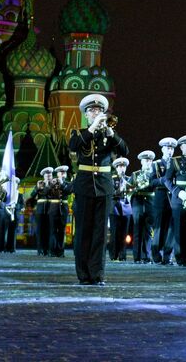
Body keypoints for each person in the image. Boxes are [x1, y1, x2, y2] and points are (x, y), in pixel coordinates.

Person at [67, 93, 128, 285]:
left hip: (104, 186)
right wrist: (92, 128)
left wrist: (111, 134)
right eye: (92, 111)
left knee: (100, 233)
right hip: (85, 185)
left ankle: (98, 274)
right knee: (84, 231)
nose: (96, 113)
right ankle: (84, 274)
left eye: (99, 110)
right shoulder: (79, 133)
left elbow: (124, 151)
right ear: (86, 115)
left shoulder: (108, 136)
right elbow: (74, 146)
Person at [166, 134, 186, 266]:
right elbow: (167, 180)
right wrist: (177, 192)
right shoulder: (175, 161)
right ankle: (181, 258)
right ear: (181, 147)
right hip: (179, 198)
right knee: (179, 230)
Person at [151, 138, 178, 264]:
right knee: (159, 228)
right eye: (168, 148)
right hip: (160, 197)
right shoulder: (156, 164)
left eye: (172, 148)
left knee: (171, 228)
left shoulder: (176, 163)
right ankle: (156, 255)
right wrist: (162, 180)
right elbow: (151, 182)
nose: (170, 151)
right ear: (162, 149)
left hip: (172, 197)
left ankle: (167, 256)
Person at [130, 151, 157, 262]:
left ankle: (146, 256)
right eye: (146, 161)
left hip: (150, 203)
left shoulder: (154, 174)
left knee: (148, 232)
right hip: (138, 203)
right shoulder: (135, 174)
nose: (148, 163)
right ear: (141, 162)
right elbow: (129, 189)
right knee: (137, 231)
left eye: (150, 161)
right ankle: (137, 256)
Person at [110, 156, 133, 261]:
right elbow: (110, 193)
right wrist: (120, 189)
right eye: (120, 166)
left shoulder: (129, 179)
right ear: (116, 168)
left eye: (124, 166)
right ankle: (114, 255)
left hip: (126, 207)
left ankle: (122, 255)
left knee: (124, 233)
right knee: (115, 232)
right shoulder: (111, 179)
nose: (122, 169)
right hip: (115, 207)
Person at [30, 168, 53, 255]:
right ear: (43, 176)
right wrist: (37, 189)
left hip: (50, 209)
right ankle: (40, 250)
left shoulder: (53, 184)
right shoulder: (39, 184)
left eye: (50, 175)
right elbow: (32, 196)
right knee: (40, 230)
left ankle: (48, 249)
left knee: (49, 230)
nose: (48, 177)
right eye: (46, 175)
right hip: (40, 210)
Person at [49, 165, 70, 256]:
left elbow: (68, 191)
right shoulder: (52, 183)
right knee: (53, 230)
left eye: (64, 173)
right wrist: (50, 184)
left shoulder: (67, 183)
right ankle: (53, 251)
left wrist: (61, 182)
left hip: (63, 208)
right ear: (57, 174)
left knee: (62, 230)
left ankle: (61, 251)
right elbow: (46, 193)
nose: (63, 174)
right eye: (61, 173)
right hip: (54, 208)